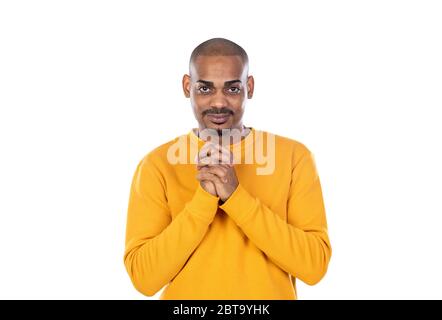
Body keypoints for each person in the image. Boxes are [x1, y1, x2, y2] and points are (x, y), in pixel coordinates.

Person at [123, 38, 332, 299]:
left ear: (250, 87)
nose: (219, 102)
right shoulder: (157, 164)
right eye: (205, 89)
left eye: (232, 89)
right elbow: (144, 279)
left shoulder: (294, 157)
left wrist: (235, 197)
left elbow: (314, 267)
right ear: (188, 87)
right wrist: (204, 200)